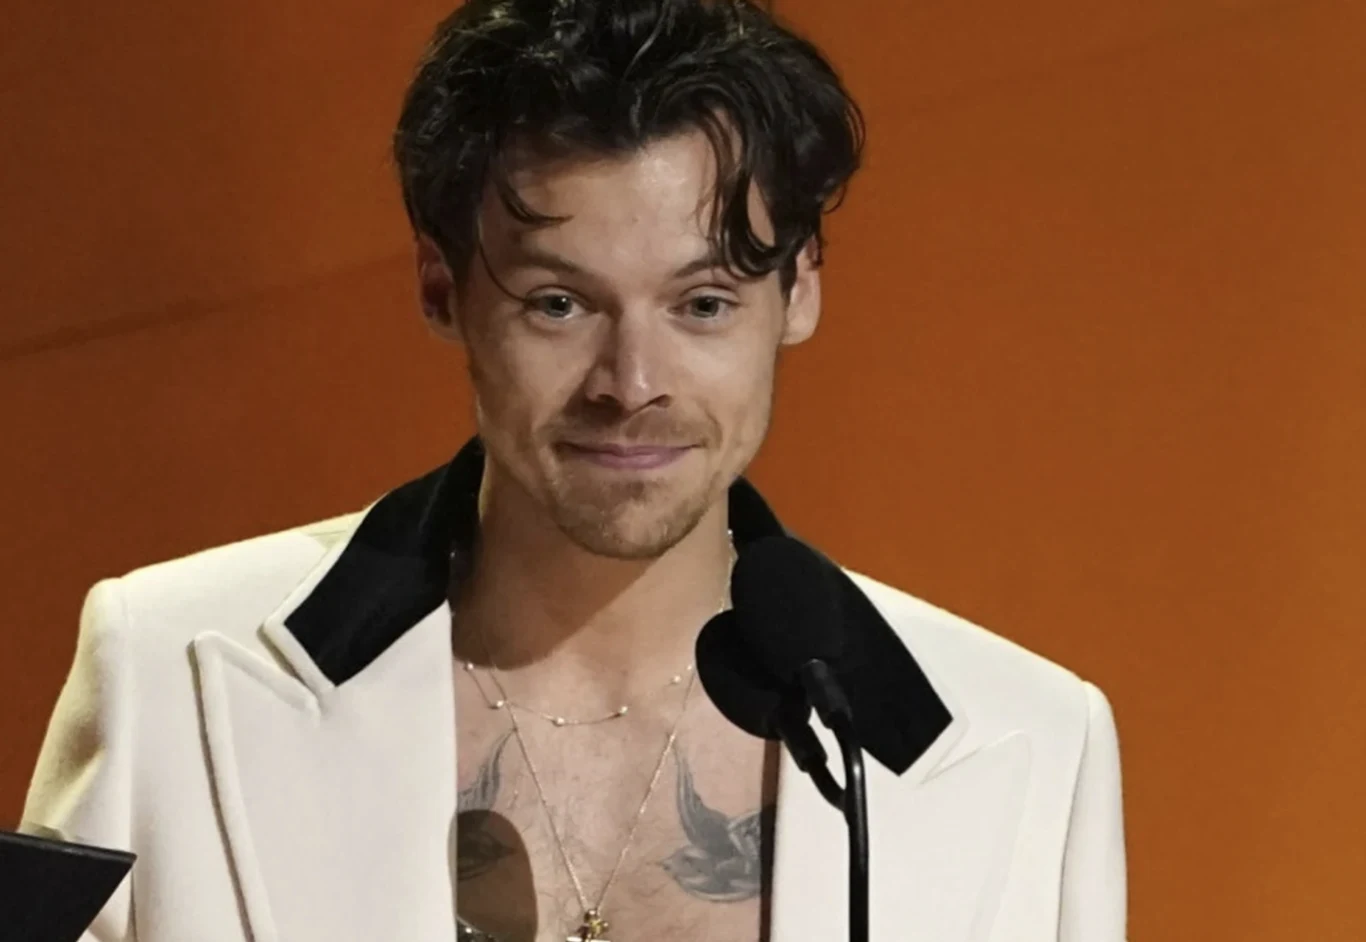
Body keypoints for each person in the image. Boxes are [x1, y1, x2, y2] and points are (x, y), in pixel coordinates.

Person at [21, 0, 1127, 940]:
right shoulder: (168, 670)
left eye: (703, 304)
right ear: (442, 290)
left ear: (799, 291)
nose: (630, 382)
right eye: (558, 303)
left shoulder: (1028, 746)